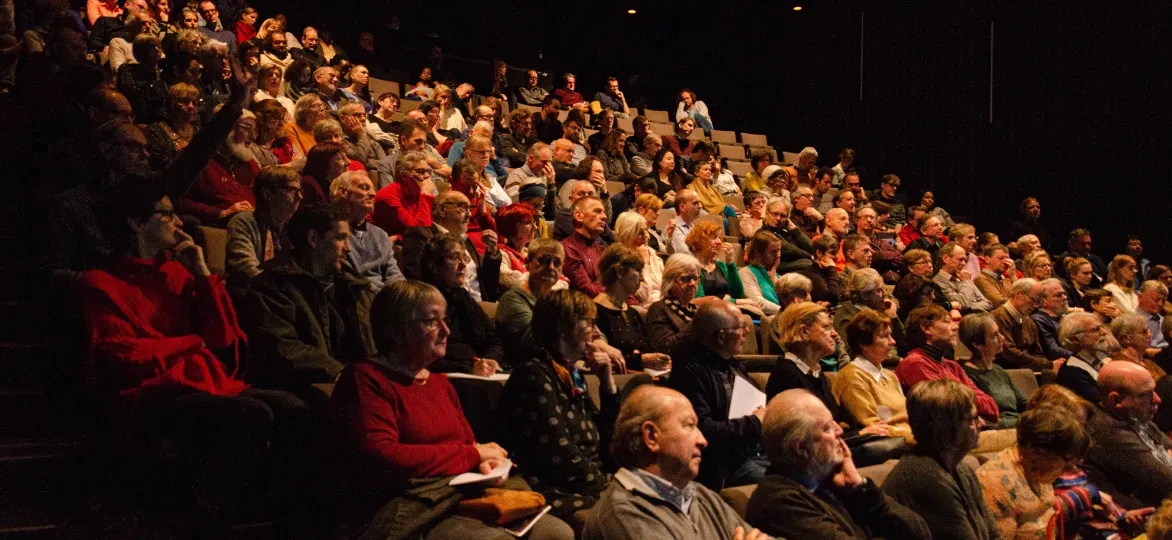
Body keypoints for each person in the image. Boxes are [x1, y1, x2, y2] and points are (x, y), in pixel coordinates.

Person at [81, 185, 313, 533]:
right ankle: (208, 520)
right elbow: (122, 355)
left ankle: (283, 517)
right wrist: (191, 343)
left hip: (203, 381)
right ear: (134, 223)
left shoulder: (176, 273)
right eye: (167, 214)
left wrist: (203, 272)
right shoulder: (102, 283)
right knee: (251, 413)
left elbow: (222, 338)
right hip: (148, 393)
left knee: (293, 408)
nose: (178, 224)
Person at [327, 280, 573, 539]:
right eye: (432, 321)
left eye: (444, 320)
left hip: (456, 495)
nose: (446, 330)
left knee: (557, 533)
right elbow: (383, 458)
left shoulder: (439, 383)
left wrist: (487, 464)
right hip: (408, 506)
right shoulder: (366, 379)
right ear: (395, 331)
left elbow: (466, 445)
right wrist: (471, 456)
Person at [493, 289, 621, 523]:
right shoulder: (534, 374)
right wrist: (610, 487)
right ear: (563, 327)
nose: (595, 331)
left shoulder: (571, 372)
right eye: (589, 322)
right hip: (554, 486)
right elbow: (559, 455)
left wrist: (607, 383)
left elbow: (607, 437)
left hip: (587, 479)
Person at [584, 386, 769, 540]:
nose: (703, 440)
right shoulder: (621, 514)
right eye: (689, 425)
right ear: (651, 436)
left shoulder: (701, 495)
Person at [746, 389, 930, 540]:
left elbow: (920, 533)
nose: (840, 431)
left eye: (834, 422)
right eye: (826, 428)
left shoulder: (832, 481)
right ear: (800, 447)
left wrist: (861, 488)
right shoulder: (779, 502)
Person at [239, 205, 375, 403]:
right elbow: (283, 348)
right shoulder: (273, 286)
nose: (349, 248)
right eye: (340, 238)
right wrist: (344, 375)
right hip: (309, 388)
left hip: (358, 385)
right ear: (313, 239)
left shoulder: (353, 287)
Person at [882, 379, 1001, 540]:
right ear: (948, 426)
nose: (981, 423)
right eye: (973, 418)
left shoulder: (962, 469)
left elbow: (993, 534)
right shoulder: (923, 478)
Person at [668, 301, 765, 488]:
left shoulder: (731, 363)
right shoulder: (690, 373)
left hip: (752, 452)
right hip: (725, 466)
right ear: (721, 337)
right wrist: (755, 422)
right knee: (784, 482)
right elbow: (704, 432)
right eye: (740, 328)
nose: (746, 332)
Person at [768, 301, 892, 434]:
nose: (835, 334)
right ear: (804, 332)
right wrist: (860, 434)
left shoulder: (816, 373)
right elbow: (810, 437)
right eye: (826, 327)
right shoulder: (786, 376)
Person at [974, 407, 1087, 540]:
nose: (1069, 469)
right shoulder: (996, 486)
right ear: (1039, 451)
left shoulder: (1036, 468)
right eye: (1066, 460)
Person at [1083, 360, 1172, 508]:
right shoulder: (1109, 432)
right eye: (1145, 394)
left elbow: (1168, 445)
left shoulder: (1134, 415)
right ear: (1116, 399)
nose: (1157, 399)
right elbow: (1167, 482)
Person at [415, 233, 504, 376]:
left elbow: (492, 338)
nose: (463, 265)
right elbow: (423, 354)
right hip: (443, 374)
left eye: (465, 258)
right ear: (433, 265)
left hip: (475, 370)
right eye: (454, 258)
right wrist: (469, 368)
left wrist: (489, 360)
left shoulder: (462, 296)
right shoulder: (421, 299)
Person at [895, 305, 1001, 424]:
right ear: (926, 328)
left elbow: (992, 408)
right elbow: (946, 407)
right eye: (946, 322)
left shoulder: (952, 366)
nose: (955, 327)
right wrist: (974, 413)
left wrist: (966, 405)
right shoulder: (914, 363)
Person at [833, 308, 915, 442]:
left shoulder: (890, 375)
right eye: (884, 336)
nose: (893, 341)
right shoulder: (852, 377)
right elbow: (874, 428)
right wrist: (920, 437)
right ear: (863, 343)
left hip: (907, 437)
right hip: (890, 443)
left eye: (891, 335)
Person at [593, 244, 671, 372]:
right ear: (619, 272)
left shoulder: (632, 312)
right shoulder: (596, 311)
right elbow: (605, 360)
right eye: (638, 271)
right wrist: (642, 360)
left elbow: (646, 349)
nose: (641, 277)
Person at [176, 111, 260, 226]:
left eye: (255, 130)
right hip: (215, 228)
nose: (252, 136)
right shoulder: (195, 157)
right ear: (226, 129)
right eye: (246, 128)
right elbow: (179, 201)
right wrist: (222, 213)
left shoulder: (249, 165)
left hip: (251, 225)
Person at [224, 165, 302, 286]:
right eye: (291, 190)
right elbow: (247, 270)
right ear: (267, 193)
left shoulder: (292, 228)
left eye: (300, 191)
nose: (300, 197)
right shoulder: (243, 222)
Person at [329, 171, 403, 291]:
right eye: (364, 188)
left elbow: (394, 275)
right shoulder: (331, 232)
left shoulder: (380, 234)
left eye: (373, 189)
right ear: (343, 192)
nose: (373, 194)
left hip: (386, 300)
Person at [959, 313, 1028, 429]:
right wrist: (1022, 423)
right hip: (999, 432)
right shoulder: (967, 375)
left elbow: (1024, 404)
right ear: (977, 344)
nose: (1002, 338)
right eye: (994, 336)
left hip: (1018, 426)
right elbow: (984, 421)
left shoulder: (998, 370)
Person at [833, 268, 906, 358]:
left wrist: (893, 317)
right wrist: (899, 360)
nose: (884, 294)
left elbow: (904, 343)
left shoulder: (878, 309)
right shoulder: (846, 318)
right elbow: (854, 353)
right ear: (864, 295)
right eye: (878, 290)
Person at [989, 278, 1056, 372]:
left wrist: (1045, 364)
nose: (1035, 306)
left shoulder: (1029, 321)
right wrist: (1046, 364)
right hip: (1007, 371)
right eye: (1033, 300)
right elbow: (1008, 353)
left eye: (1038, 302)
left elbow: (1038, 353)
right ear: (1018, 295)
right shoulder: (997, 317)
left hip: (1029, 371)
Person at [686, 221, 753, 309]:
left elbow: (738, 294)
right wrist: (735, 301)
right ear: (698, 243)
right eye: (714, 237)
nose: (719, 241)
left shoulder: (721, 266)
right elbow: (700, 300)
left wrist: (730, 263)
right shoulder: (691, 268)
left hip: (724, 309)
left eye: (719, 237)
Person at [371, 151, 435, 235]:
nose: (427, 176)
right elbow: (419, 232)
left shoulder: (417, 191)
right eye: (420, 171)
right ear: (403, 174)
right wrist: (426, 195)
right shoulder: (388, 196)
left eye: (428, 171)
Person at [143, 82, 200, 170]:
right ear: (171, 104)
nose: (191, 106)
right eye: (185, 101)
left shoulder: (197, 130)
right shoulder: (156, 131)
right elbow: (163, 164)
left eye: (195, 103)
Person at [561, 195, 609, 296]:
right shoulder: (567, 249)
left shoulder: (602, 249)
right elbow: (586, 290)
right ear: (579, 216)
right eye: (597, 211)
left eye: (604, 212)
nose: (604, 216)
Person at [613, 211, 663, 308]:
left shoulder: (652, 253)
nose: (647, 236)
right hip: (645, 311)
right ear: (626, 236)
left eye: (646, 230)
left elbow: (667, 288)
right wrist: (644, 263)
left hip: (664, 305)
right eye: (640, 233)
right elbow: (643, 296)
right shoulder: (621, 261)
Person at [934, 243, 994, 313]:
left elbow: (988, 304)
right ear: (945, 259)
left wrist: (967, 308)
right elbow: (961, 303)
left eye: (965, 260)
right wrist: (966, 281)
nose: (963, 263)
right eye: (960, 259)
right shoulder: (937, 282)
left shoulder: (963, 276)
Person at [736, 231, 783, 316]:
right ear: (759, 254)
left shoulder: (776, 275)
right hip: (766, 319)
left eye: (779, 251)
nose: (778, 255)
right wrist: (787, 312)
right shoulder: (746, 273)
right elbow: (759, 303)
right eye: (773, 252)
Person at [1112, 312, 1168, 382]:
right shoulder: (1121, 367)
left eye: (1148, 330)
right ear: (1126, 338)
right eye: (1144, 332)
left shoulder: (1149, 363)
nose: (1150, 334)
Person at [1031, 278, 1074, 360]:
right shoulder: (1039, 320)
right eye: (1058, 295)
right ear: (1044, 301)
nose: (1065, 297)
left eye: (1064, 294)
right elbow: (1053, 351)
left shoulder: (1062, 317)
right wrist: (1079, 356)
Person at [973, 243, 1014, 308]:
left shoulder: (1007, 280)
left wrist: (1013, 276)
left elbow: (1024, 295)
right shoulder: (981, 279)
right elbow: (999, 302)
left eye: (1007, 259)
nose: (1005, 262)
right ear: (987, 259)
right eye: (1001, 258)